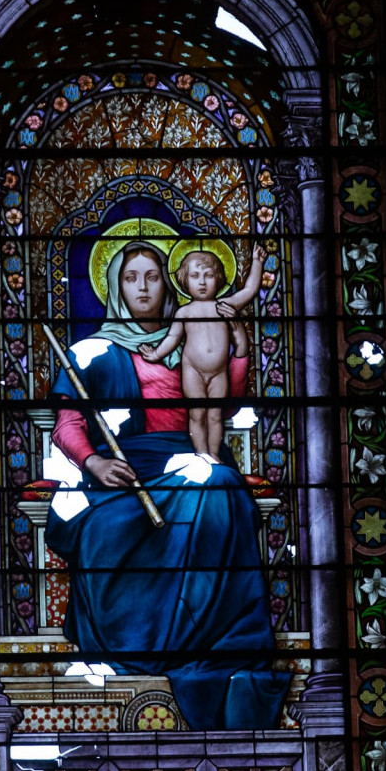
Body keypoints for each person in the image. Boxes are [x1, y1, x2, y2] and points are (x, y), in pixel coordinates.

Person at [44, 235, 289, 732]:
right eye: (131, 277)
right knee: (106, 532)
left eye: (152, 276)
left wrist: (237, 346)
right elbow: (68, 423)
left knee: (218, 486)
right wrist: (94, 464)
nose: (142, 287)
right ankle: (136, 645)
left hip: (191, 455)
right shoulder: (92, 352)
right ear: (113, 286)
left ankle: (214, 644)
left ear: (168, 284)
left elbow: (227, 398)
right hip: (122, 476)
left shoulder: (189, 336)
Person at [138, 239, 266, 460]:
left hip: (219, 372)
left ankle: (214, 455)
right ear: (184, 281)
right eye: (195, 276)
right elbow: (172, 338)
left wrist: (257, 262)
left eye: (208, 275)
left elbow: (251, 289)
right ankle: (201, 455)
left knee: (215, 415)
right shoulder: (184, 312)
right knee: (197, 414)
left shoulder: (225, 306)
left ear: (218, 279)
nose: (203, 282)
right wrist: (156, 354)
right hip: (193, 371)